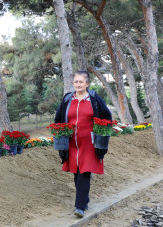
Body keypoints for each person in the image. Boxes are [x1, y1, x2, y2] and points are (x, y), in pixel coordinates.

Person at [53, 71, 112, 218]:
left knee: (84, 172)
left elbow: (106, 117)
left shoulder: (94, 99)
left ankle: (79, 207)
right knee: (76, 172)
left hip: (89, 143)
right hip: (71, 142)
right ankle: (84, 200)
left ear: (87, 83)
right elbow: (58, 119)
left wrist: (101, 132)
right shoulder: (67, 99)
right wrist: (60, 134)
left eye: (81, 82)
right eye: (76, 82)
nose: (78, 84)